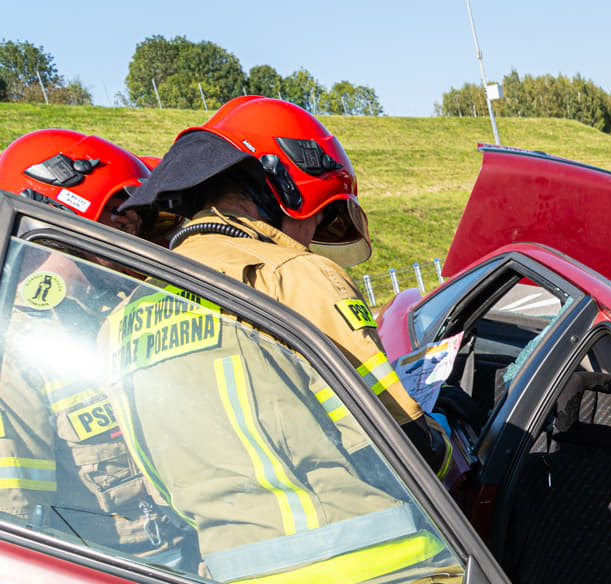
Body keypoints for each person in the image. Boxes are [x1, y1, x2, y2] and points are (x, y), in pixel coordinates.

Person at [120, 96, 448, 472]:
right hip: (341, 509)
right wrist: (444, 428)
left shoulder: (129, 311)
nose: (309, 239)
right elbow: (407, 447)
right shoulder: (295, 277)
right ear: (285, 190)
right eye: (318, 216)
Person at [0, 130, 189, 564]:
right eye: (121, 217)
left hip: (187, 548)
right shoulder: (16, 345)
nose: (133, 234)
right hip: (120, 572)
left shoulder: (118, 315)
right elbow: (17, 525)